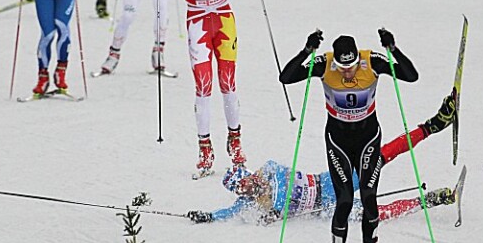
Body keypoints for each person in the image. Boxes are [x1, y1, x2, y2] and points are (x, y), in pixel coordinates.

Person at [279, 29, 419, 243]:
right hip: (338, 142)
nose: (347, 73)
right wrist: (307, 51)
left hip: (368, 140)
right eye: (342, 68)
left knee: (368, 197)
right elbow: (285, 77)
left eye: (351, 66)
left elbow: (411, 76)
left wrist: (393, 49)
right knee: (343, 201)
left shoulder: (372, 61)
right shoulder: (324, 64)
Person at [134, 0, 274, 173]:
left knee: (228, 82)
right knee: (203, 85)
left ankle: (235, 142)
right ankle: (205, 149)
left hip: (223, 21)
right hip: (198, 24)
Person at [186, 94, 457, 224]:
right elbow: (228, 213)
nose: (243, 190)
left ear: (247, 175)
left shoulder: (269, 170)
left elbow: (280, 189)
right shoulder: (247, 200)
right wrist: (207, 216)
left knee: (383, 154)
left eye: (242, 183)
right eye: (238, 190)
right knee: (377, 214)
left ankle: (432, 125)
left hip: (332, 181)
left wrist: (274, 213)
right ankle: (431, 200)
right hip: (327, 207)